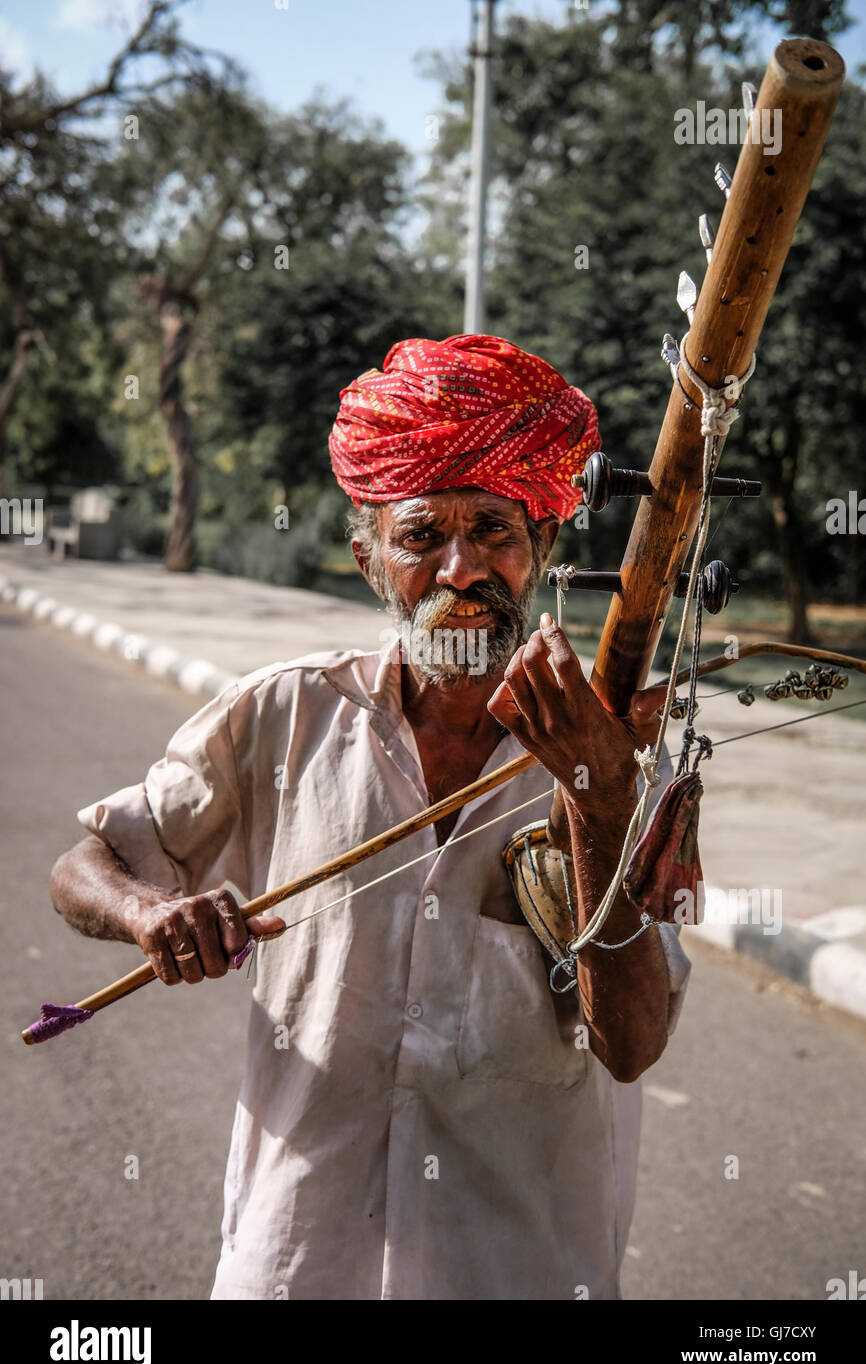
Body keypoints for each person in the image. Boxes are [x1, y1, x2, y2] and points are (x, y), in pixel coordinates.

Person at [50, 334, 690, 1300]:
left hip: (520, 1266)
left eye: (495, 531)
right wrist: (148, 912)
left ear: (544, 549)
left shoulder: (625, 751)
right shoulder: (284, 712)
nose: (461, 569)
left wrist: (600, 806)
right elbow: (84, 861)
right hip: (298, 1259)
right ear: (368, 561)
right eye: (423, 536)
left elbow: (633, 1044)